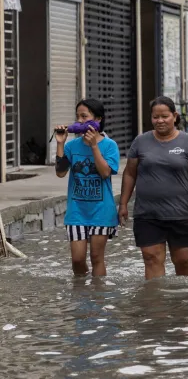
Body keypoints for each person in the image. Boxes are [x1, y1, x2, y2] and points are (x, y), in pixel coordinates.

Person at [119, 97, 188, 280]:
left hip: (179, 212)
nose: (160, 121)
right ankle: (156, 303)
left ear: (174, 116)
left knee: (183, 259)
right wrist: (123, 204)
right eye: (155, 117)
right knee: (151, 258)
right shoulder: (140, 142)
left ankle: (185, 300)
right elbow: (130, 173)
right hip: (147, 213)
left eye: (164, 116)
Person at [54, 99, 119, 277]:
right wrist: (60, 143)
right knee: (77, 259)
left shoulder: (110, 145)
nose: (80, 121)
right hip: (77, 211)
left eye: (85, 116)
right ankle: (81, 294)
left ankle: (97, 298)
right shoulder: (71, 146)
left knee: (97, 257)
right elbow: (60, 173)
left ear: (97, 120)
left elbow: (105, 172)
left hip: (101, 211)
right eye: (78, 117)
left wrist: (94, 147)